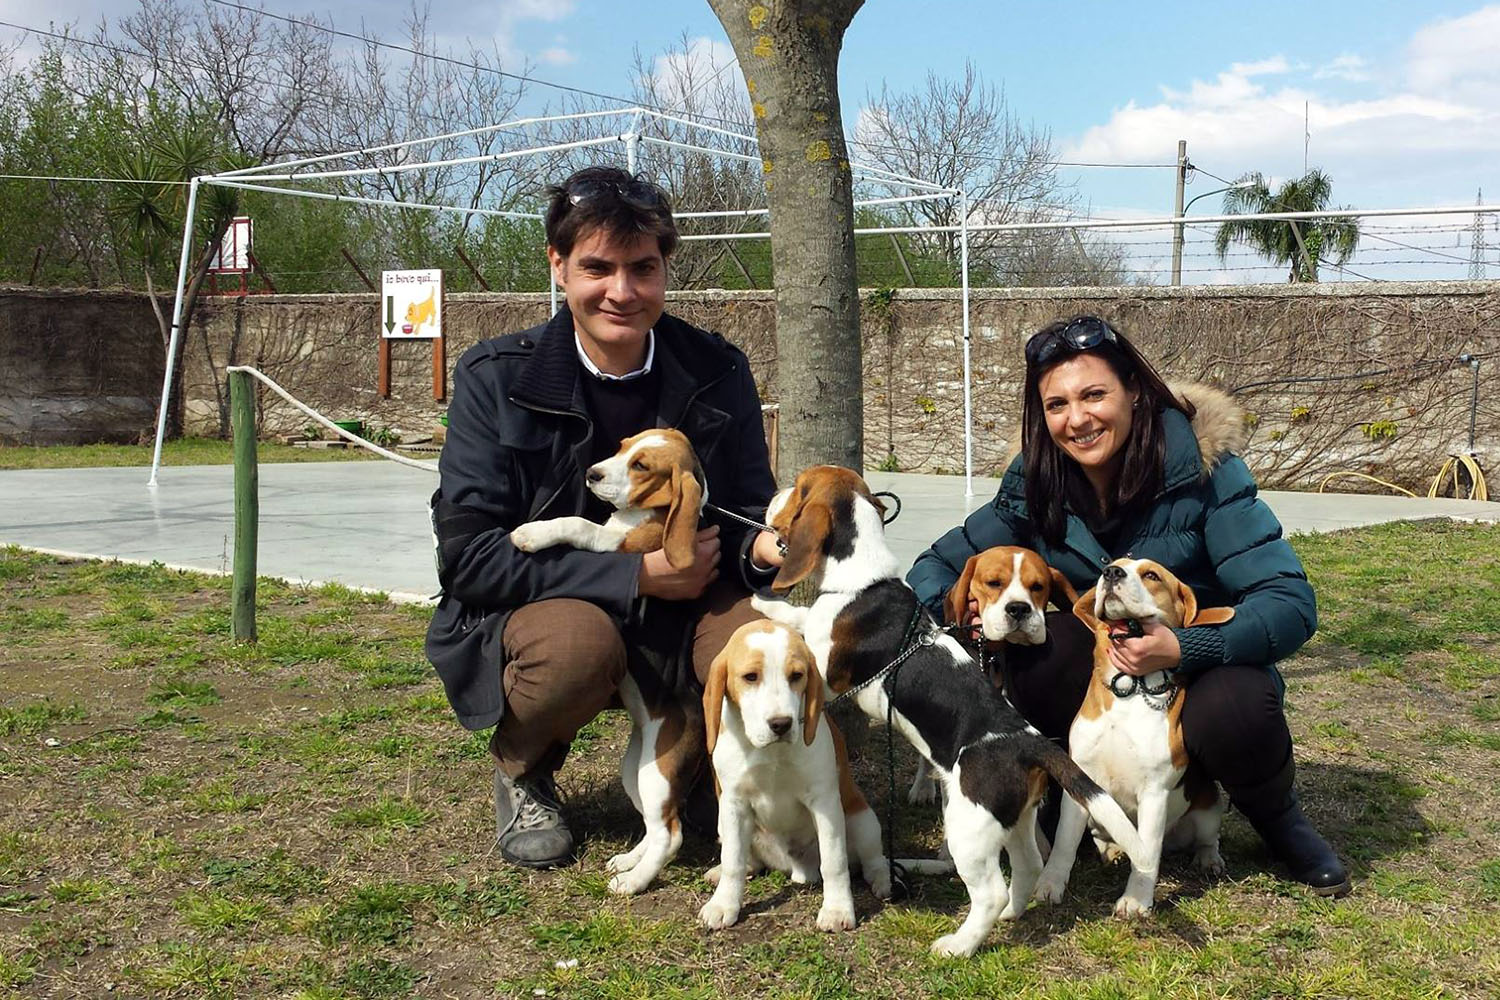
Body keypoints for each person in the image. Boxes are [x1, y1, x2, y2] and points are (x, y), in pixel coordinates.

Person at [907, 315, 1350, 897]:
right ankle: (1057, 801)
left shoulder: (1205, 472)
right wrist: (962, 610)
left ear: (1135, 394)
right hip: (1098, 684)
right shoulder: (1033, 482)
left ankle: (1277, 818)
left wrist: (1186, 645)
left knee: (1237, 705)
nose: (1078, 419)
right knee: (1043, 642)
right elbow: (933, 568)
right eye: (1057, 404)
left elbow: (1289, 602)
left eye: (1094, 395)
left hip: (1192, 672)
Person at [425, 166, 783, 869]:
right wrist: (635, 579)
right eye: (598, 267)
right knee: (576, 648)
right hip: (552, 603)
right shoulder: (494, 376)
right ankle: (522, 768)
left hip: (692, 598)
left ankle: (731, 779)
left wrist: (765, 552)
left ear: (666, 269)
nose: (622, 291)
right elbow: (467, 558)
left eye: (643, 268)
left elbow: (742, 512)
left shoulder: (717, 368)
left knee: (758, 645)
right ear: (558, 266)